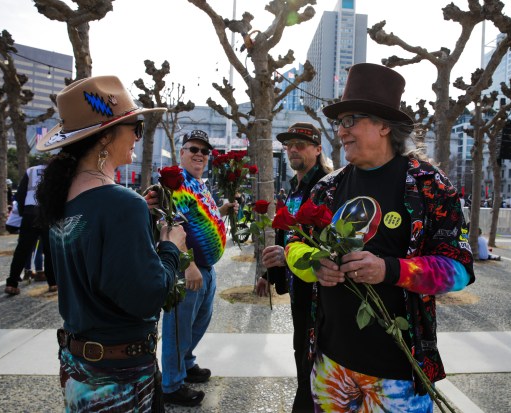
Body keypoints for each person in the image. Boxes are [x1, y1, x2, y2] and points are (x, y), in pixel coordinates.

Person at [284, 63, 475, 412]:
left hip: (398, 375)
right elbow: (294, 245)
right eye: (340, 123)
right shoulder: (329, 186)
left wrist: (391, 270)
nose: (341, 132)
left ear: (385, 125)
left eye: (351, 120)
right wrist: (314, 265)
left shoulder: (429, 186)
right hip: (329, 366)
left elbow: (459, 269)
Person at [34, 75, 187, 412]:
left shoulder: (62, 199)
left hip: (79, 367)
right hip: (119, 377)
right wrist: (171, 247)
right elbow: (146, 297)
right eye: (135, 126)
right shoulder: (121, 204)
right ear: (105, 136)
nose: (137, 134)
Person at [255, 122, 332, 412]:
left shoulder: (327, 184)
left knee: (315, 356)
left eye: (301, 144)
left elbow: (331, 243)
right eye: (289, 145)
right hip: (299, 287)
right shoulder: (294, 186)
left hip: (321, 290)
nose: (293, 150)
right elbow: (285, 234)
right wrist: (269, 273)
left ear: (318, 148)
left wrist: (290, 257)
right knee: (302, 349)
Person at [160, 129, 237, 406]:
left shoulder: (198, 183)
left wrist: (223, 209)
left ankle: (186, 362)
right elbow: (172, 227)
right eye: (193, 149)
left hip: (205, 268)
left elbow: (201, 214)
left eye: (205, 151)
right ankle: (170, 384)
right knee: (178, 327)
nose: (200, 155)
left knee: (198, 321)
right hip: (188, 268)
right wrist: (188, 264)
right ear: (182, 152)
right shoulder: (177, 184)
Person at [4, 162, 56, 295]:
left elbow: (20, 195)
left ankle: (12, 283)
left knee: (22, 249)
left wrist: (23, 213)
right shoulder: (55, 170)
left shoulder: (31, 171)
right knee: (49, 250)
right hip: (47, 212)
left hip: (29, 212)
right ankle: (53, 283)